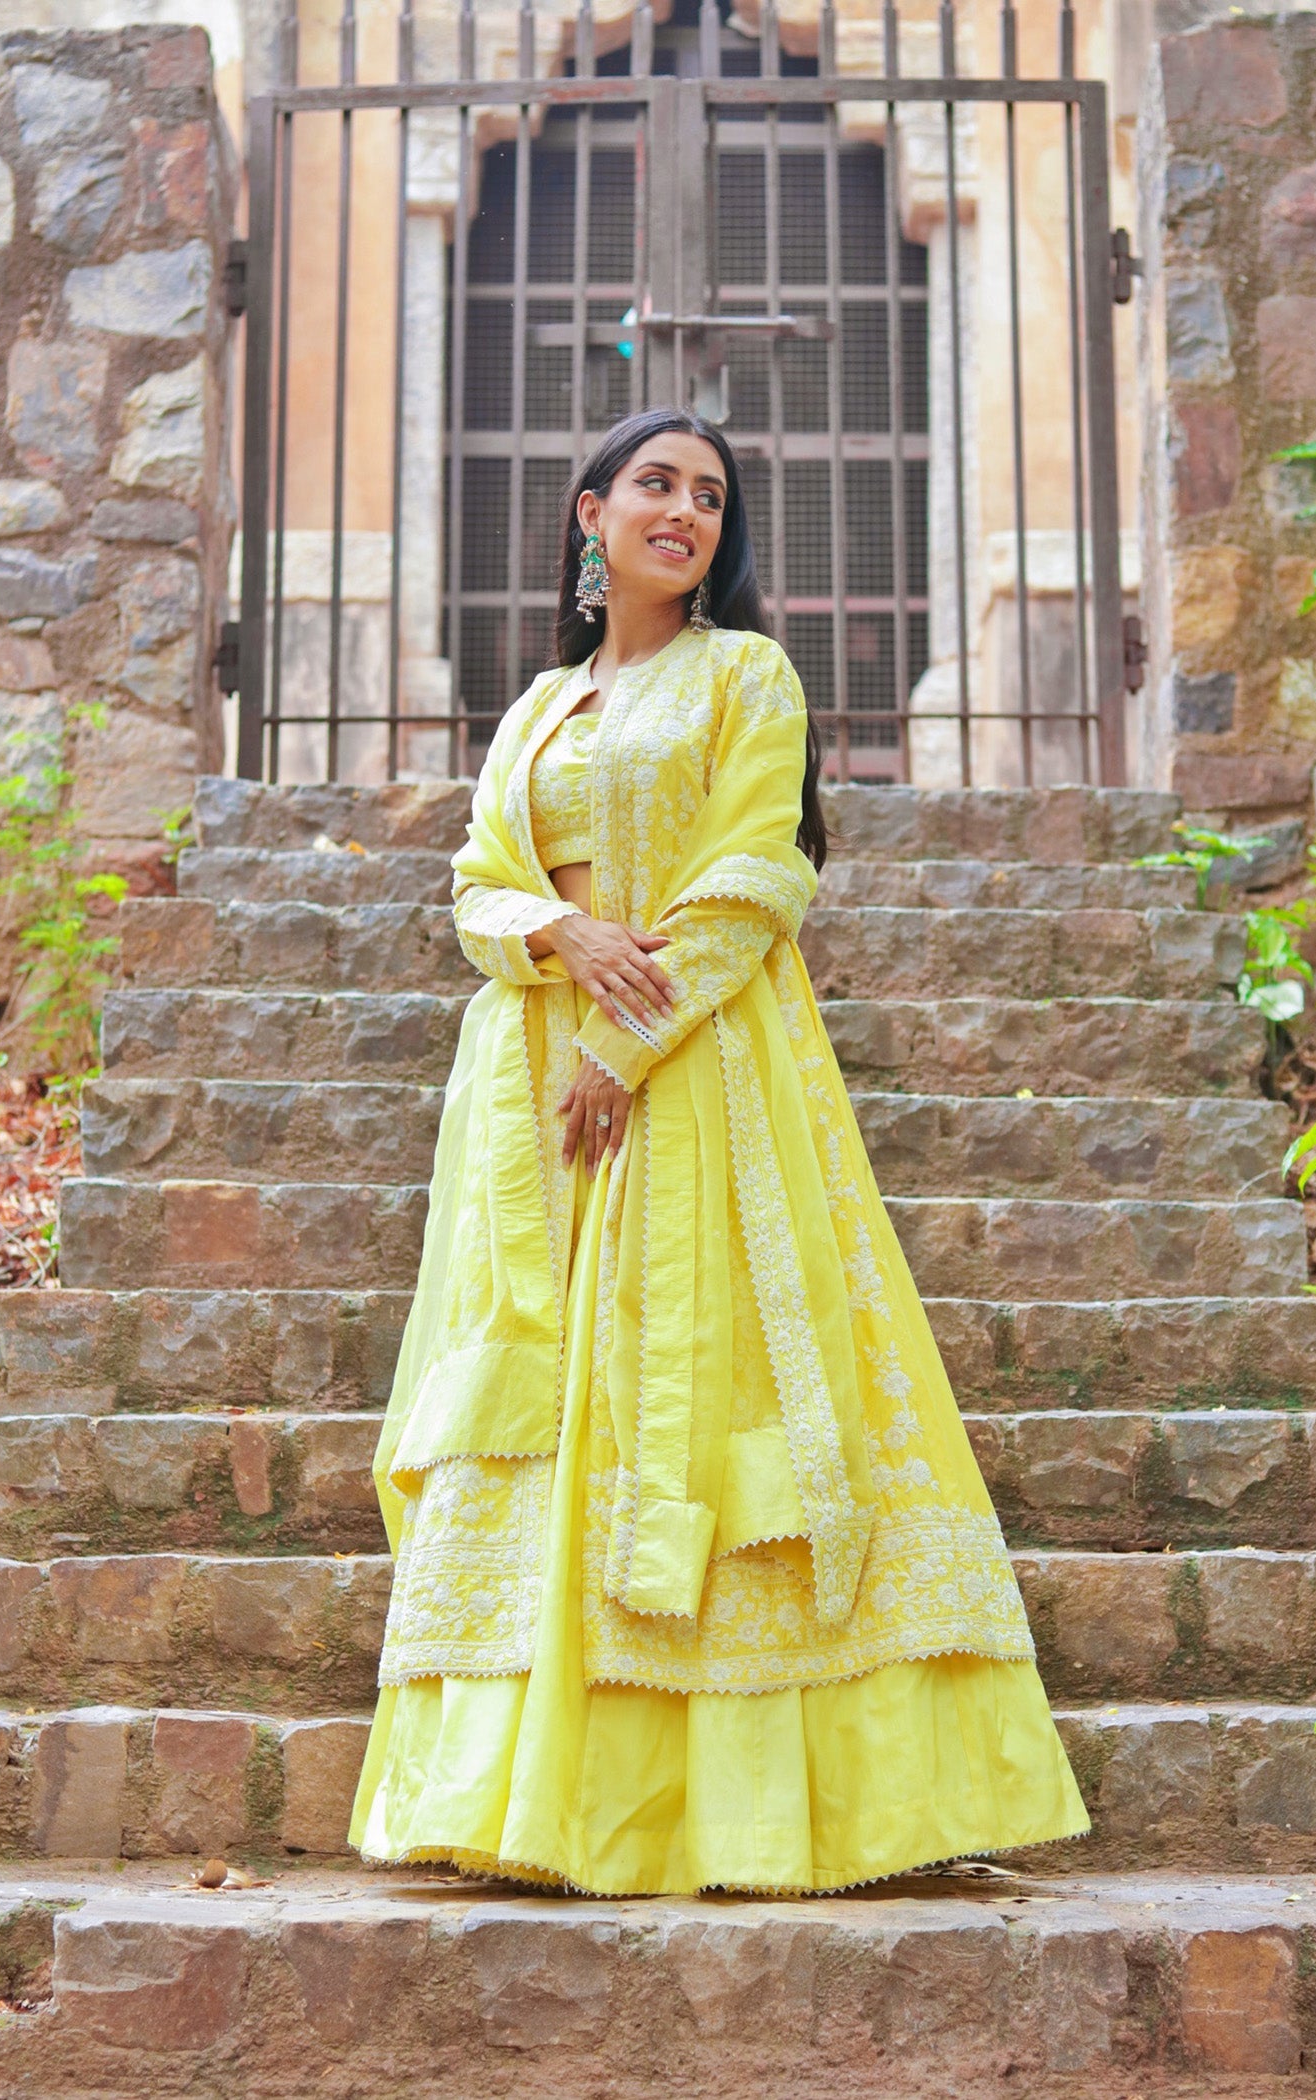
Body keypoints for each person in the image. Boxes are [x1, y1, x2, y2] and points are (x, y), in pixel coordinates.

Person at [349, 406, 1089, 1894]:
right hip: (526, 1096)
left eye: (708, 496)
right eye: (655, 486)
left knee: (715, 1375)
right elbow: (476, 883)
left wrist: (627, 1044)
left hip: (704, 1076)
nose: (682, 511)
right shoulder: (537, 710)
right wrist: (550, 929)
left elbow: (761, 868)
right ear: (591, 514)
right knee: (537, 1384)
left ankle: (759, 1797)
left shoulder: (747, 675)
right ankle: (522, 1794)